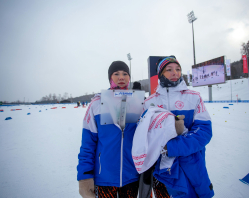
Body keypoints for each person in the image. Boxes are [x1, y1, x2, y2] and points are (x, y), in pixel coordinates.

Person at [143, 56, 214, 198]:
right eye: (169, 70)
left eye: (178, 69)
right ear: (160, 74)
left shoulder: (194, 97)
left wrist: (172, 147)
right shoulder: (150, 102)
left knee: (200, 193)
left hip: (193, 162)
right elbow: (145, 134)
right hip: (164, 167)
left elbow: (204, 131)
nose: (175, 73)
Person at [77, 61, 140, 198]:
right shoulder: (96, 104)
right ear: (110, 78)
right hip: (104, 177)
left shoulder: (139, 103)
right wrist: (85, 176)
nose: (121, 77)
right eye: (116, 74)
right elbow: (88, 144)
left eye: (125, 74)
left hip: (132, 176)